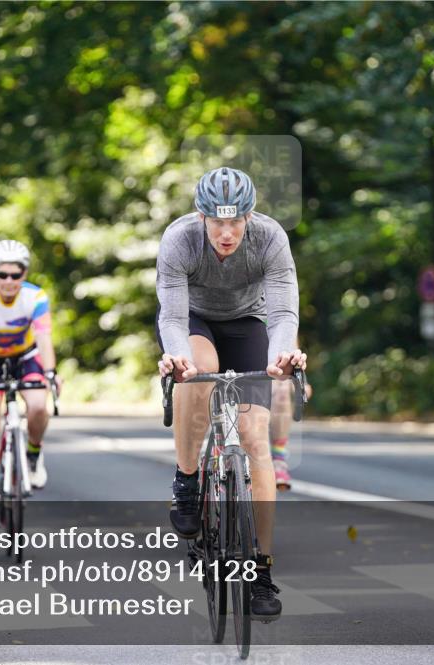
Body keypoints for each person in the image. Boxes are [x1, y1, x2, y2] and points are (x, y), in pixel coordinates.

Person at [156, 166, 306, 622]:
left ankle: (260, 566)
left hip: (249, 322)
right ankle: (186, 481)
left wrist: (283, 356)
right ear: (200, 216)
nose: (226, 232)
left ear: (249, 215)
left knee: (256, 437)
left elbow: (283, 311)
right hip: (193, 321)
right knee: (197, 371)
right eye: (216, 221)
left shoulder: (270, 237)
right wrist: (176, 357)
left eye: (235, 221)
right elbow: (172, 318)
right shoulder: (179, 239)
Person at [0, 240, 60, 528]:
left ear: (25, 274)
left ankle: (33, 451)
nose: (8, 281)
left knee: (39, 407)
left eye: (15, 275)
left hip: (26, 357)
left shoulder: (36, 297)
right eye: (1, 274)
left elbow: (44, 339)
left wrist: (52, 372)